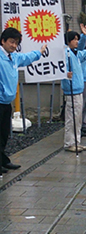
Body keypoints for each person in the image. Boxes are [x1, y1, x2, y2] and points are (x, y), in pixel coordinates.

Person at [0, 27, 46, 173]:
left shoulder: (13, 57)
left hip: (7, 103)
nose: (14, 45)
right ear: (3, 41)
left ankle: (3, 160)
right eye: (11, 42)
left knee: (3, 134)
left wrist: (39, 52)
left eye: (16, 43)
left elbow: (26, 57)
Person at [62, 31, 86, 152]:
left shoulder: (76, 54)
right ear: (68, 41)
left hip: (78, 88)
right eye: (75, 39)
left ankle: (76, 142)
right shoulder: (66, 54)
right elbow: (60, 68)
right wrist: (65, 74)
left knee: (77, 118)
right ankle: (69, 143)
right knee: (71, 118)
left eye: (78, 39)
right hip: (71, 89)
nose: (77, 42)